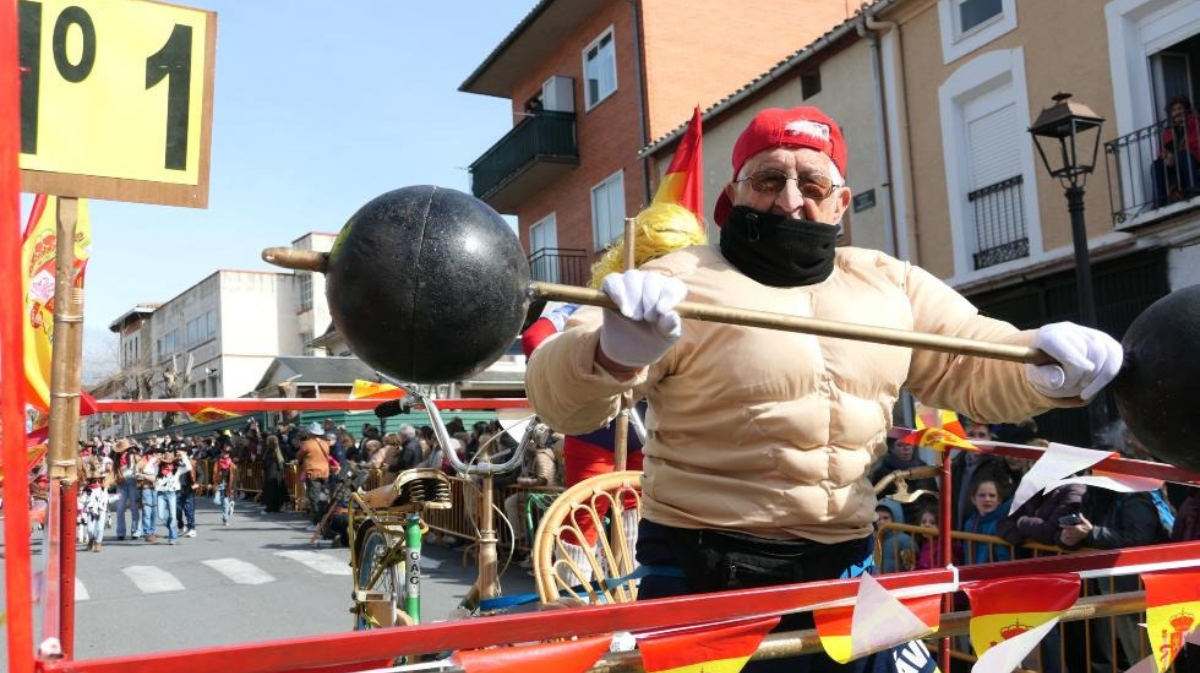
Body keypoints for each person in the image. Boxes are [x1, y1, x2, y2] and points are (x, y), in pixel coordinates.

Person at [524, 106, 1123, 673]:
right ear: (730, 200)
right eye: (768, 180)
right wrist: (608, 353)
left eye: (812, 186)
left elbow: (972, 359)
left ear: (840, 204)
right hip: (701, 571)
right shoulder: (674, 280)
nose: (789, 201)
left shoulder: (891, 284)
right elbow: (558, 397)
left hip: (843, 568)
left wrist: (1042, 365)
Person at [1153, 95, 1200, 207]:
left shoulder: (1195, 122)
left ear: (1186, 110)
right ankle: (1160, 200)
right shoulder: (1169, 131)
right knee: (1157, 164)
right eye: (1174, 110)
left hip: (1193, 159)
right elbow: (1163, 150)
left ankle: (1195, 189)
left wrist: (1176, 155)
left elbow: (1196, 142)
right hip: (1176, 164)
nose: (1177, 112)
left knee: (1184, 155)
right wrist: (1166, 156)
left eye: (1180, 108)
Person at [961, 478, 1012, 564]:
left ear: (999, 500)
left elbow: (1003, 557)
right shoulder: (969, 523)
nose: (987, 499)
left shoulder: (1001, 524)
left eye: (992, 495)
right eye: (982, 495)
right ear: (973, 500)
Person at [295, 429, 332, 525]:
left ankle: (317, 522)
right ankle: (324, 521)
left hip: (313, 472)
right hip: (325, 472)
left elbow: (299, 456)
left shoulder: (307, 444)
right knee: (323, 498)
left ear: (311, 433)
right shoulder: (325, 443)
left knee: (314, 498)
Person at [111, 438, 141, 541]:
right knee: (120, 508)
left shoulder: (134, 456)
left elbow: (141, 466)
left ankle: (136, 531)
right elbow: (114, 471)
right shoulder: (116, 458)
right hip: (121, 484)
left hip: (132, 482)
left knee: (134, 507)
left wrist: (138, 474)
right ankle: (120, 532)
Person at [873, 498, 914, 573]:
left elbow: (910, 566)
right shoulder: (874, 539)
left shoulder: (905, 540)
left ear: (896, 518)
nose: (881, 522)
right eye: (878, 518)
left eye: (886, 518)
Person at [262, 434, 288, 513]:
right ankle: (276, 507)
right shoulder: (278, 449)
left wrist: (264, 468)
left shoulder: (270, 450)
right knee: (277, 489)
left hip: (271, 472)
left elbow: (266, 462)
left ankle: (270, 508)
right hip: (277, 472)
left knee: (270, 490)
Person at [213, 444, 238, 526]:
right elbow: (214, 473)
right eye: (224, 452)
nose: (226, 454)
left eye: (228, 452)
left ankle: (225, 518)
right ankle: (230, 505)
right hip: (219, 484)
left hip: (227, 485)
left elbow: (235, 476)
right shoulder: (218, 462)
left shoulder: (232, 464)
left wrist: (233, 487)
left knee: (225, 503)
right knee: (216, 501)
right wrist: (214, 483)